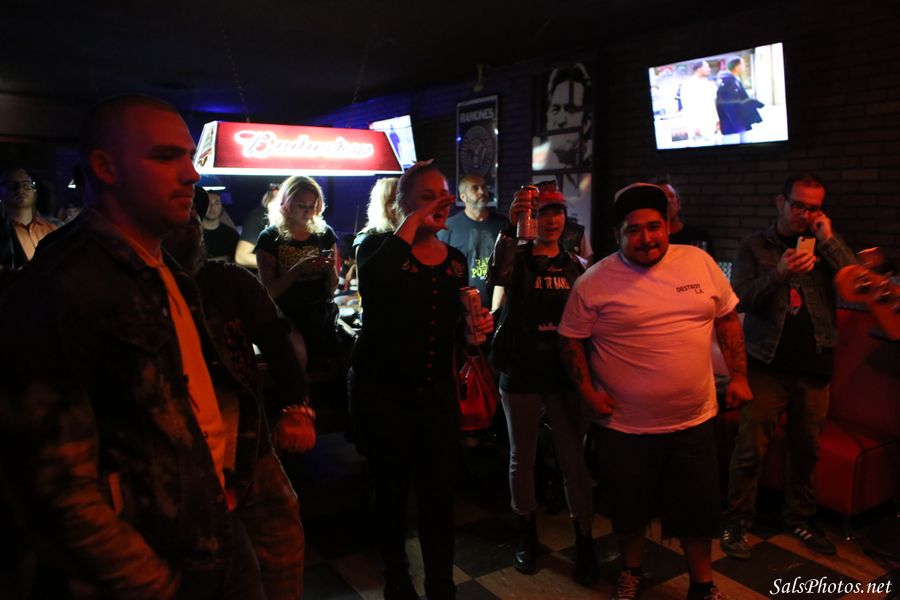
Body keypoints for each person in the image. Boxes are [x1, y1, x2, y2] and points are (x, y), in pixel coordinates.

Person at [0, 95, 278, 598]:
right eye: (165, 157)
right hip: (154, 565)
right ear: (105, 167)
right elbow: (50, 486)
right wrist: (152, 583)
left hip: (212, 530)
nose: (191, 175)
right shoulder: (59, 286)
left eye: (189, 157)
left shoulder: (165, 269)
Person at [558, 183, 752, 600]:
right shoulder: (594, 281)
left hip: (694, 420)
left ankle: (702, 584)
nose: (646, 238)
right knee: (629, 509)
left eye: (654, 226)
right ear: (618, 234)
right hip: (625, 425)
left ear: (667, 225)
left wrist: (739, 376)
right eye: (633, 229)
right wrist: (588, 393)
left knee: (697, 510)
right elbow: (570, 339)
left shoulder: (698, 262)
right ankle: (632, 571)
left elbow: (727, 318)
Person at [351, 161, 493, 600]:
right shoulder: (375, 248)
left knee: (439, 496)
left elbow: (451, 331)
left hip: (436, 395)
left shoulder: (455, 261)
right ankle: (396, 578)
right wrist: (412, 222)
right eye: (426, 197)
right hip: (383, 394)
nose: (439, 204)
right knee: (391, 491)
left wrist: (473, 332)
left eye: (442, 195)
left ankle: (441, 585)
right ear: (403, 204)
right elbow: (375, 281)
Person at [164, 185, 310, 599]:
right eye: (183, 213)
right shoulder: (137, 290)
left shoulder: (228, 280)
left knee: (282, 542)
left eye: (195, 214)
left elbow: (280, 344)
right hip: (178, 467)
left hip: (247, 446)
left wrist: (297, 407)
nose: (193, 221)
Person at [721, 173, 857, 560]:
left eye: (815, 208)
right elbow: (740, 298)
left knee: (805, 449)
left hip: (815, 363)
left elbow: (855, 285)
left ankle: (800, 518)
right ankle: (737, 520)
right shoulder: (754, 246)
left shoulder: (825, 245)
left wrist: (829, 239)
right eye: (799, 205)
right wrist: (779, 272)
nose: (806, 215)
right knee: (751, 447)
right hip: (766, 363)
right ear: (780, 202)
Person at [488, 185, 597, 585]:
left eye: (558, 212)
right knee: (523, 458)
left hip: (564, 374)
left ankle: (584, 540)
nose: (552, 220)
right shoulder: (516, 258)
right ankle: (526, 535)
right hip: (521, 369)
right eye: (544, 212)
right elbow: (495, 275)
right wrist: (511, 229)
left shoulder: (576, 266)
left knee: (573, 461)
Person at [256, 175, 340, 368]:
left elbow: (332, 286)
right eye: (302, 205)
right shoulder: (270, 238)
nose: (308, 211)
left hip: (321, 318)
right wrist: (297, 270)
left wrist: (329, 270)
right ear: (286, 204)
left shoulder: (324, 234)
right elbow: (268, 292)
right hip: (286, 319)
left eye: (312, 206)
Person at [437, 173, 507, 309]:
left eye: (484, 187)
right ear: (463, 197)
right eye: (475, 188)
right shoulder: (448, 228)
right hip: (461, 309)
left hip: (497, 308)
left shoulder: (503, 224)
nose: (482, 191)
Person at [533, 63, 593, 170]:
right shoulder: (537, 159)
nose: (561, 120)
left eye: (570, 110)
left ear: (586, 122)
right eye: (555, 109)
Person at [0, 167, 59, 269]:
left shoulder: (55, 227)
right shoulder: (3, 232)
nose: (20, 189)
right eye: (11, 185)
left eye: (26, 185)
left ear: (34, 193)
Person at [656, 178, 715, 257]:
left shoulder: (699, 236)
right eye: (662, 197)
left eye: (671, 196)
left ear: (678, 203)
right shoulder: (651, 241)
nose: (668, 201)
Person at [716, 56, 764, 144]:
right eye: (742, 64)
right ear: (736, 66)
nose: (744, 67)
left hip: (739, 122)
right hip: (732, 125)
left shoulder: (735, 80)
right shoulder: (728, 81)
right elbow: (728, 104)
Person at [235, 183, 279, 269]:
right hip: (265, 276)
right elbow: (241, 257)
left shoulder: (293, 217)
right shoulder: (259, 216)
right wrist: (280, 264)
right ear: (275, 192)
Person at [679, 60, 720, 144]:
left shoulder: (709, 84)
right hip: (698, 126)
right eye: (706, 67)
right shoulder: (688, 85)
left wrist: (717, 121)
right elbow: (687, 106)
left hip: (711, 124)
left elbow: (713, 104)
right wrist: (694, 126)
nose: (709, 69)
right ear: (698, 69)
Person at [201, 191, 240, 262]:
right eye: (208, 203)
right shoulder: (191, 234)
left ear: (222, 207)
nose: (212, 207)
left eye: (217, 203)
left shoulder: (231, 235)